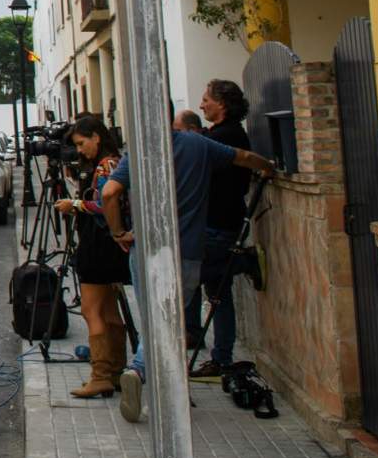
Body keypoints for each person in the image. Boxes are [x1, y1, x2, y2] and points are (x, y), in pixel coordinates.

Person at [101, 123, 274, 422]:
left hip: (143, 250)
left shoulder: (139, 152)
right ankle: (143, 372)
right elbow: (245, 157)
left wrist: (118, 232)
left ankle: (154, 381)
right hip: (186, 251)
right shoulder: (198, 145)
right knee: (170, 321)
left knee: (154, 321)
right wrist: (268, 167)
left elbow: (109, 193)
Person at [53, 115, 130, 398]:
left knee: (91, 310)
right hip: (109, 244)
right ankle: (117, 369)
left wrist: (74, 204)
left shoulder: (105, 166)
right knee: (109, 309)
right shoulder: (114, 162)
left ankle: (100, 374)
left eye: (82, 143)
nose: (80, 150)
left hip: (98, 244)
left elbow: (103, 203)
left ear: (97, 137)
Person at [186, 79, 253, 379]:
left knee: (194, 278)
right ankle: (221, 357)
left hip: (218, 225)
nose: (201, 106)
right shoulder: (224, 134)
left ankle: (242, 262)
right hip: (219, 223)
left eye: (206, 100)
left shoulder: (225, 137)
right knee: (218, 292)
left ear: (222, 104)